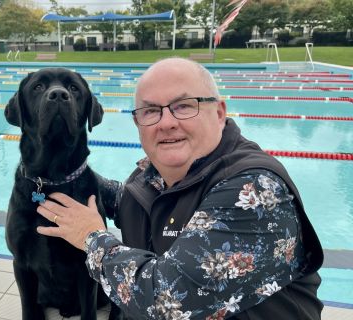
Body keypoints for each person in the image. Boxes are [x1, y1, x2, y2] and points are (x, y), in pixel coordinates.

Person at [36, 58, 324, 319]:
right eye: (151, 111)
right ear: (138, 122)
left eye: (184, 106)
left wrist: (91, 237)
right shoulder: (153, 174)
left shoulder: (254, 190)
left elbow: (164, 301)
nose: (167, 123)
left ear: (220, 112)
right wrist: (59, 173)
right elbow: (127, 200)